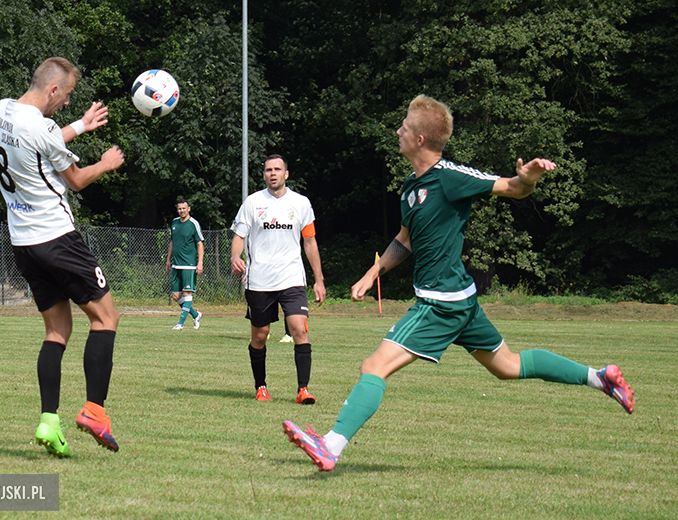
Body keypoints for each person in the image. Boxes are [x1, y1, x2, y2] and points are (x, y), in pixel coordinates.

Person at [283, 94, 635, 472]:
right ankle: (600, 378)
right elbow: (405, 240)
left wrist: (527, 180)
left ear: (420, 139)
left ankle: (331, 445)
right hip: (460, 299)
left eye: (404, 126)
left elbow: (513, 187)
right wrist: (372, 273)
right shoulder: (410, 186)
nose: (398, 130)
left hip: (440, 303)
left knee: (374, 366)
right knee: (508, 365)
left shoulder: (450, 177)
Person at [0, 57, 125, 457]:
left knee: (57, 331)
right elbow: (77, 180)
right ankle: (95, 412)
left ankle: (49, 421)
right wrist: (106, 164)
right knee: (106, 319)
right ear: (52, 90)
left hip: (23, 243)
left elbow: (41, 139)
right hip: (57, 238)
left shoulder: (1, 111)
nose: (66, 103)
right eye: (66, 96)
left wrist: (81, 125)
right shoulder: (43, 127)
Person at [231, 154, 326, 404]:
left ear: (286, 174)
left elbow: (310, 241)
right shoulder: (253, 203)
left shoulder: (301, 203)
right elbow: (239, 236)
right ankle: (260, 387)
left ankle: (303, 390)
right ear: (264, 175)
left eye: (277, 169)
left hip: (292, 278)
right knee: (260, 335)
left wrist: (318, 280)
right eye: (268, 170)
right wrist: (235, 257)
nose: (273, 173)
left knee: (299, 330)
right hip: (259, 280)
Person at [165, 198, 204, 330]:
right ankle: (195, 314)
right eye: (179, 209)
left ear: (188, 209)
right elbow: (172, 242)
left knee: (187, 293)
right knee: (176, 296)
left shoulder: (193, 224)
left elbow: (200, 244)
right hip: (176, 264)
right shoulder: (175, 222)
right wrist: (168, 259)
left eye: (184, 208)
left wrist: (200, 263)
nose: (182, 211)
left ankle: (180, 323)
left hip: (189, 265)